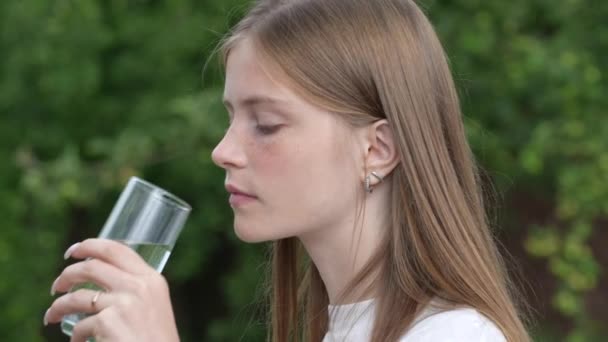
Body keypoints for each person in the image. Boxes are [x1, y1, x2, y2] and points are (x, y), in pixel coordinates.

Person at [43, 0, 532, 341]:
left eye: (267, 124)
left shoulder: (454, 336)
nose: (223, 150)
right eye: (231, 117)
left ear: (379, 148)